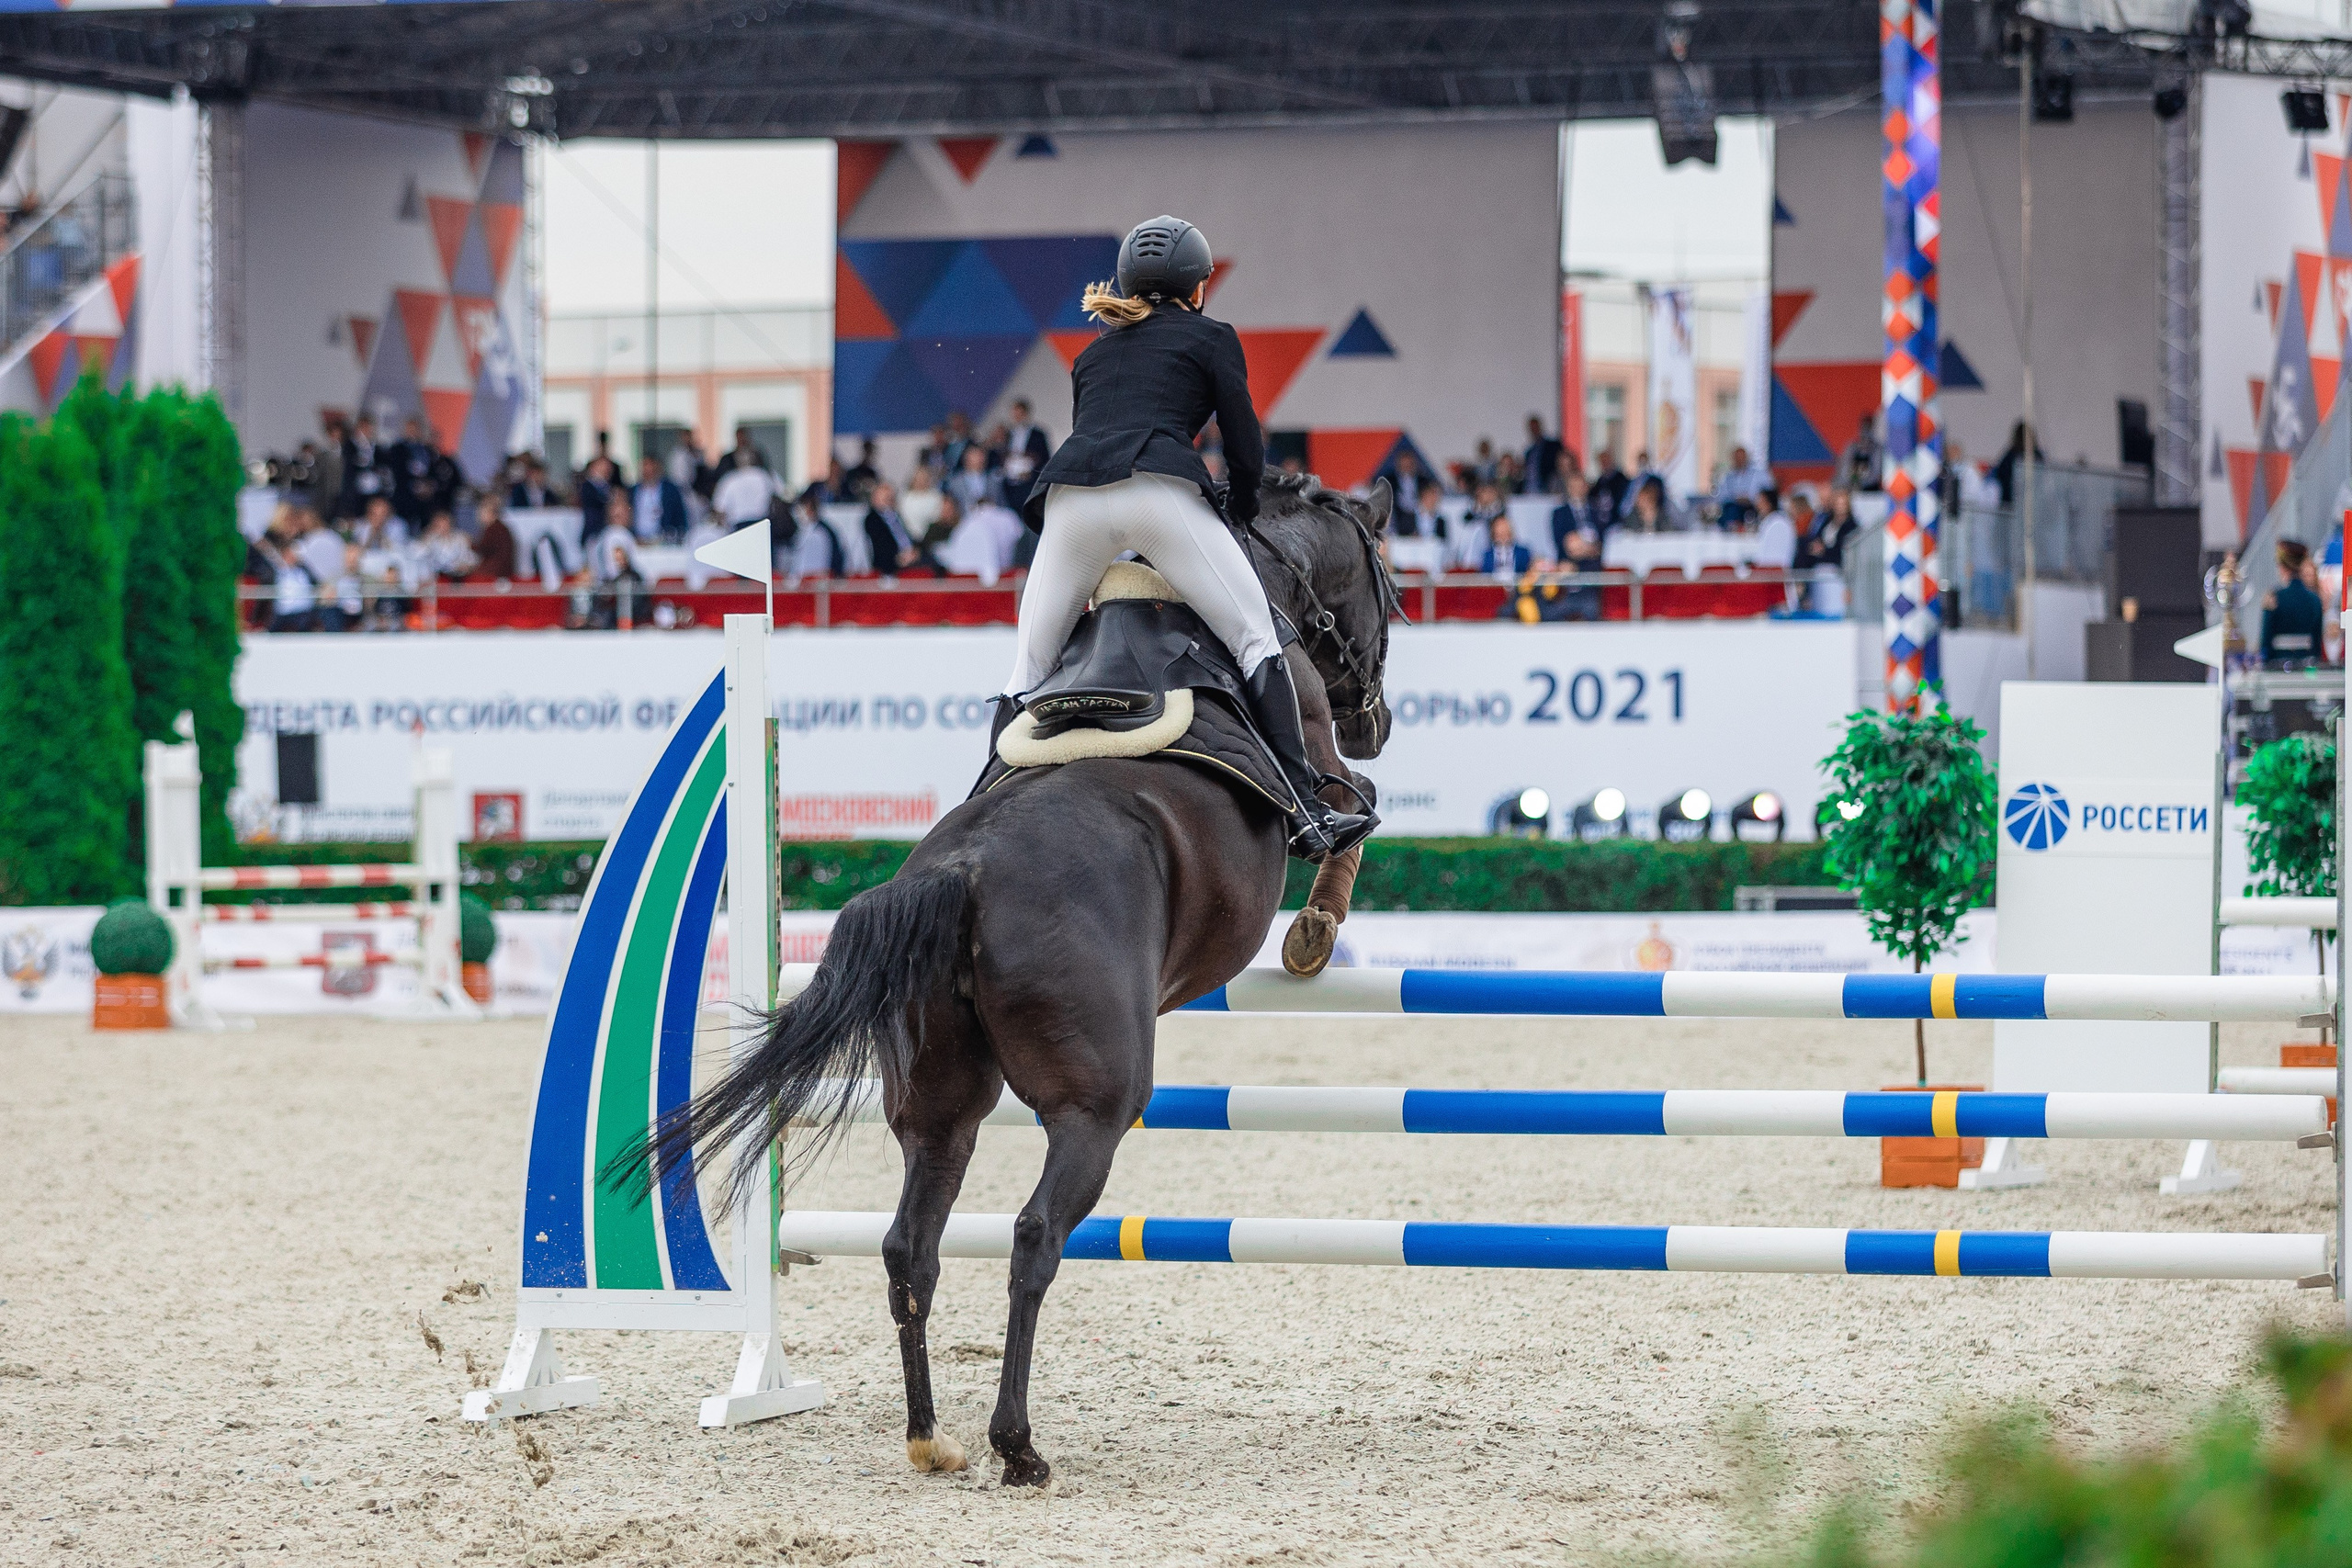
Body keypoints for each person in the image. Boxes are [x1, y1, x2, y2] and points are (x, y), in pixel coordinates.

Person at [1006, 214, 1372, 861]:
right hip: (1155, 491)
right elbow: (1243, 441)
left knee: (1027, 670)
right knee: (1257, 638)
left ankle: (987, 797)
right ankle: (1308, 812)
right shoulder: (1211, 336)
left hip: (1070, 502)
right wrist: (1245, 498)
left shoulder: (1091, 354)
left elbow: (1098, 433)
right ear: (1195, 287)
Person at [2262, 539, 2327, 664]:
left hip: (2278, 665)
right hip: (2307, 665)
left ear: (2282, 566)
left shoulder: (2274, 598)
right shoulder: (2314, 600)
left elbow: (2266, 642)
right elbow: (2317, 642)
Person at [863, 482, 941, 577]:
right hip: (892, 563)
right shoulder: (872, 520)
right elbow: (880, 546)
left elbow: (907, 537)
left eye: (891, 497)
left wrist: (915, 551)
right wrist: (900, 557)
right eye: (885, 498)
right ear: (875, 499)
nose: (889, 500)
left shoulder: (896, 516)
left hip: (911, 556)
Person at [1001, 398, 1051, 510]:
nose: (1017, 417)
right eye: (1015, 414)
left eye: (1020, 413)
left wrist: (1031, 471)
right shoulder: (1008, 435)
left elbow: (1045, 457)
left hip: (1030, 482)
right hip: (1012, 485)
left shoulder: (1038, 434)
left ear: (1026, 414)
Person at [630, 455, 689, 543]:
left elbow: (680, 516)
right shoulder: (632, 491)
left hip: (663, 541)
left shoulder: (670, 490)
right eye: (645, 469)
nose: (648, 472)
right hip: (637, 541)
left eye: (651, 469)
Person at [711, 451, 778, 527]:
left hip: (740, 525)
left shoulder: (729, 479)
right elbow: (779, 495)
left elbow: (719, 508)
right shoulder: (763, 476)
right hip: (762, 523)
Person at [1749, 487, 1797, 570]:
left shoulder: (1779, 523)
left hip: (1774, 573)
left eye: (1761, 501)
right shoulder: (1767, 522)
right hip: (1765, 570)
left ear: (1769, 503)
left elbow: (1778, 558)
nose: (1757, 504)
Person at [473, 492, 518, 580]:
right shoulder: (502, 527)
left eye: (481, 514)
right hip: (504, 568)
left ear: (490, 514)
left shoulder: (493, 529)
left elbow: (483, 549)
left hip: (496, 570)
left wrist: (470, 544)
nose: (479, 518)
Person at [1477, 513, 1532, 578]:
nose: (1503, 537)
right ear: (1494, 534)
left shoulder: (1523, 552)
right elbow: (1484, 575)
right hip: (1494, 586)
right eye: (1500, 534)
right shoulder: (1487, 554)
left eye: (1505, 533)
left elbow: (1527, 574)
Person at [1521, 414, 1563, 494]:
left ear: (1540, 427)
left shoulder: (1553, 446)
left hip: (1547, 487)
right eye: (1531, 428)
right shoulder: (1529, 452)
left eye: (1535, 427)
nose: (1533, 430)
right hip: (1529, 489)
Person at [1840, 414, 1883, 494]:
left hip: (1871, 493)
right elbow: (1844, 471)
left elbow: (1876, 474)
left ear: (1873, 429)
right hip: (1851, 490)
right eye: (1864, 428)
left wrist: (1861, 483)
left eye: (1868, 428)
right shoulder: (1852, 447)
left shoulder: (1877, 449)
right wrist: (1852, 484)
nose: (1865, 432)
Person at [1589, 448, 1630, 528]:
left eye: (1606, 461)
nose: (1604, 464)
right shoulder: (1600, 481)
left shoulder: (1621, 479)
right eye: (1602, 462)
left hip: (1616, 519)